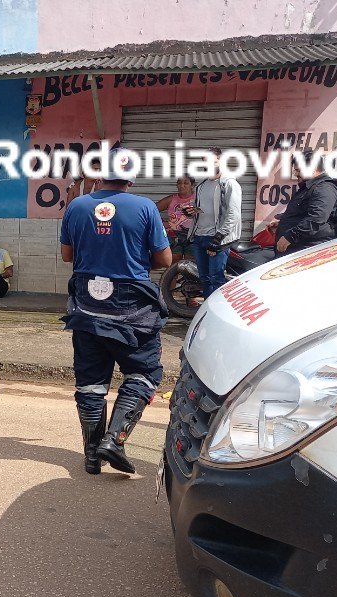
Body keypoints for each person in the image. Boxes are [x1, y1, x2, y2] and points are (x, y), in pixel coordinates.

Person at [60, 148, 171, 476]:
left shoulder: (77, 206)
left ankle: (93, 455)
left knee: (91, 384)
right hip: (131, 308)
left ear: (100, 172)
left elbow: (68, 256)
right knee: (145, 373)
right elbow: (164, 261)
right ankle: (115, 439)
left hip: (86, 304)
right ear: (132, 176)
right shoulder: (145, 207)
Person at [188, 147, 241, 299]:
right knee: (204, 279)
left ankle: (215, 315)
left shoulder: (229, 183)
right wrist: (191, 212)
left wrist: (217, 239)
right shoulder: (201, 186)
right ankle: (205, 312)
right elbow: (201, 211)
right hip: (199, 237)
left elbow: (234, 214)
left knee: (216, 280)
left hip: (217, 239)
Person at [269, 150, 337, 256]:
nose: (296, 174)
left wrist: (290, 237)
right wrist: (283, 222)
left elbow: (316, 219)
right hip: (296, 249)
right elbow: (303, 213)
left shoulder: (324, 188)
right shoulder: (309, 187)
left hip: (307, 252)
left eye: (298, 170)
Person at [156, 175, 197, 264]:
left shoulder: (198, 199)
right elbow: (151, 210)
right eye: (179, 183)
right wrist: (162, 224)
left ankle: (187, 279)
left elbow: (207, 215)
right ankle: (170, 278)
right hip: (174, 236)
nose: (182, 186)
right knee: (174, 261)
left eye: (186, 183)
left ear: (192, 185)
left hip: (193, 236)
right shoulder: (171, 199)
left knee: (190, 263)